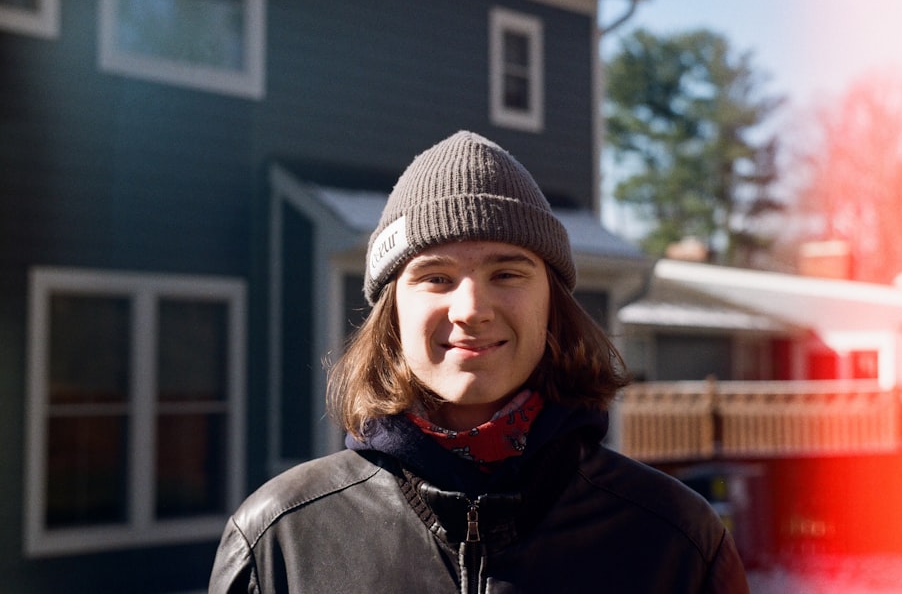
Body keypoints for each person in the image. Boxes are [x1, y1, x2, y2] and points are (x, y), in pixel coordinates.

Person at [208, 131, 749, 593]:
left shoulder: (674, 538)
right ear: (392, 311)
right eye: (436, 277)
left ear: (552, 306)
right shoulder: (278, 538)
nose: (471, 310)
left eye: (507, 274)